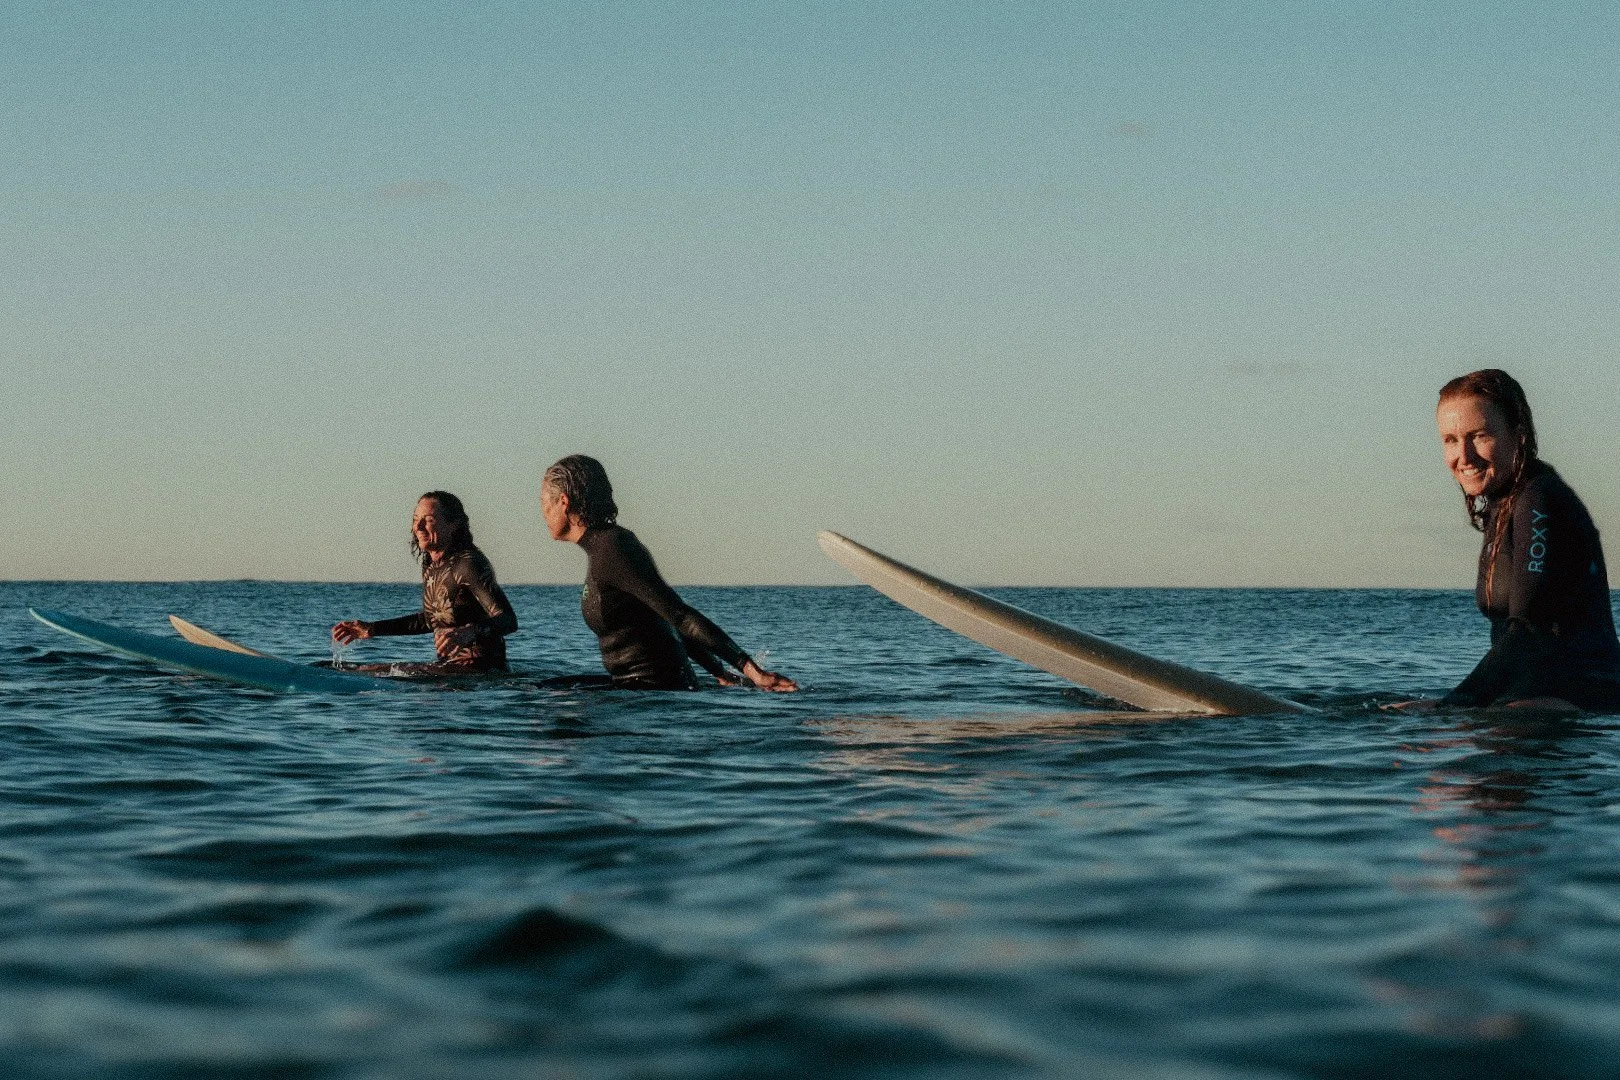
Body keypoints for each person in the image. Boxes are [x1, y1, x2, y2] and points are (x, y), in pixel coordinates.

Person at [1406, 370, 1620, 711]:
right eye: (1450, 440)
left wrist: (1454, 707)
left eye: (1478, 436)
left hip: (1589, 698)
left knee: (1420, 727)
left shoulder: (1540, 498)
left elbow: (1529, 631)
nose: (1464, 455)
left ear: (1518, 435)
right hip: (1529, 694)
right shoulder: (1502, 504)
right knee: (1387, 717)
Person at [538, 455, 797, 691]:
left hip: (652, 691)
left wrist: (754, 672)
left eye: (544, 504)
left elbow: (679, 615)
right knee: (544, 688)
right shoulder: (603, 549)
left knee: (544, 700)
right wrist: (719, 672)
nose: (543, 514)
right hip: (634, 687)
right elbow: (663, 618)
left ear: (564, 502)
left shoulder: (613, 549)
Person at [332, 491, 518, 673]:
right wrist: (372, 629)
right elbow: (431, 619)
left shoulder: (468, 564)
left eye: (429, 520)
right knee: (353, 669)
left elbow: (508, 620)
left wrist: (468, 632)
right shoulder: (431, 565)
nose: (418, 527)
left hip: (482, 672)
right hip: (451, 673)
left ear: (453, 525)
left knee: (365, 672)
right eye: (415, 519)